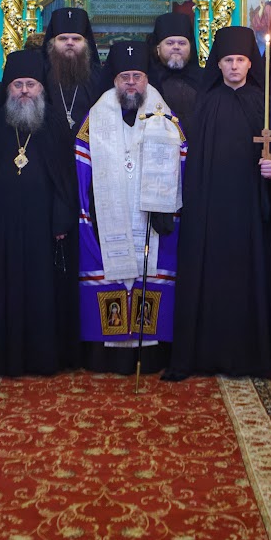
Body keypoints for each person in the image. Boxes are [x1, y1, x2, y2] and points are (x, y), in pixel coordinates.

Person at [169, 27, 271, 379]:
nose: (234, 67)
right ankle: (205, 352)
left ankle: (247, 354)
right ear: (218, 64)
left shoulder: (265, 104)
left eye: (240, 60)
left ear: (250, 64)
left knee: (249, 276)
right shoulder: (205, 103)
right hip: (210, 208)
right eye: (228, 60)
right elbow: (191, 159)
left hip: (249, 207)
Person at [75, 42, 184, 375]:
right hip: (109, 216)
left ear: (147, 79)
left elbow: (181, 161)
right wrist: (90, 215)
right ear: (115, 80)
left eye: (137, 76)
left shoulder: (165, 116)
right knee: (111, 279)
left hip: (150, 218)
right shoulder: (96, 116)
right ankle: (107, 358)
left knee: (147, 278)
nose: (132, 83)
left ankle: (148, 357)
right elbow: (82, 169)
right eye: (125, 77)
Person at [0, 51, 78, 376]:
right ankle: (7, 357)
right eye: (18, 84)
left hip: (43, 225)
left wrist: (61, 217)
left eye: (31, 84)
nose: (24, 91)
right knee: (5, 290)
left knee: (42, 289)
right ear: (8, 89)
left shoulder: (55, 124)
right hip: (3, 223)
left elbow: (65, 178)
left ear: (42, 88)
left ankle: (43, 357)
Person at [43, 7, 105, 133]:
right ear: (52, 43)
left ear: (86, 43)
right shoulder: (41, 74)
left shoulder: (99, 77)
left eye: (76, 39)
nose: (70, 43)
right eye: (63, 38)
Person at [147, 12, 204, 134]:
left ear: (190, 48)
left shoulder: (203, 80)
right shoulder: (147, 80)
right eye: (170, 43)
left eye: (182, 43)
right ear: (158, 49)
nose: (176, 47)